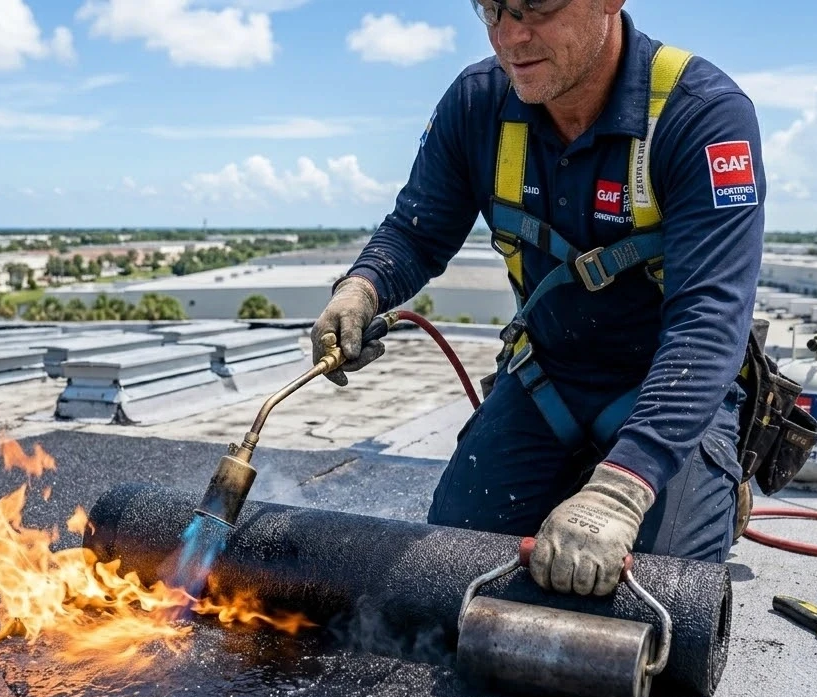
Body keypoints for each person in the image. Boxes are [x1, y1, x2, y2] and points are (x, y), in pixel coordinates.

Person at [312, 0, 766, 598]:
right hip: (546, 377)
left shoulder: (699, 114)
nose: (511, 37)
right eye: (492, 10)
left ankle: (705, 481)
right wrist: (362, 286)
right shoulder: (479, 103)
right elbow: (418, 231)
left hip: (669, 382)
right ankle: (578, 472)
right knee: (455, 566)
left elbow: (708, 322)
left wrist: (619, 492)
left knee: (657, 591)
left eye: (536, 8)